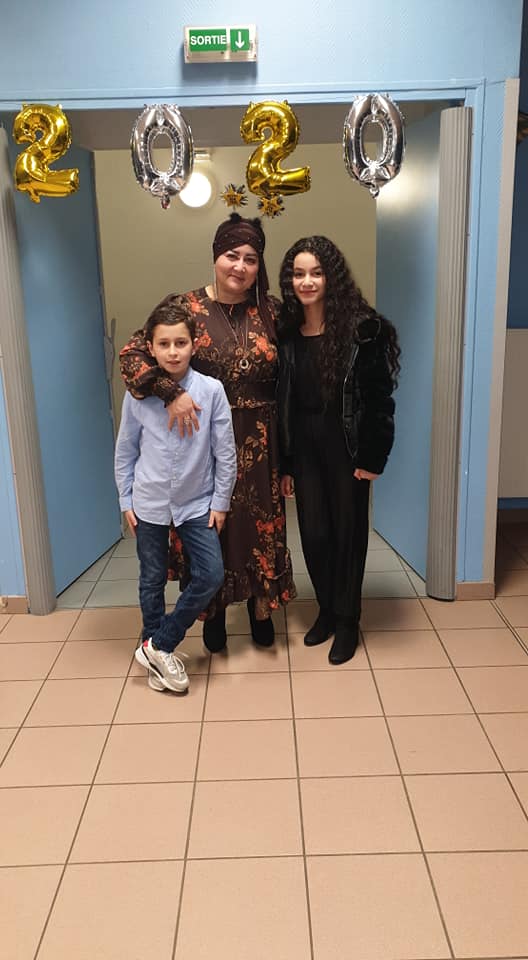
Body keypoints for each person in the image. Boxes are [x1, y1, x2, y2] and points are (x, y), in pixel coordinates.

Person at [119, 213, 296, 653]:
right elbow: (132, 355)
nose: (240, 266)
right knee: (213, 527)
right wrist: (169, 393)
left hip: (260, 440)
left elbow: (299, 368)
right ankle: (212, 612)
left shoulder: (273, 311)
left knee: (257, 528)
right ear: (216, 255)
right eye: (232, 255)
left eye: (251, 258)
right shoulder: (187, 307)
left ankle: (260, 608)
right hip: (198, 435)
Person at [277, 236, 400, 664]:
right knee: (314, 535)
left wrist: (373, 457)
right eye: (298, 274)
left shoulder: (362, 329)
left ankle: (348, 621)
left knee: (348, 535)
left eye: (316, 272)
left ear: (332, 277)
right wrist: (286, 462)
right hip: (305, 449)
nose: (307, 281)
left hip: (346, 446)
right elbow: (284, 404)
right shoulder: (287, 333)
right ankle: (327, 609)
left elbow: (379, 398)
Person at [114, 296, 237, 692]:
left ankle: (159, 644)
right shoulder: (139, 395)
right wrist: (125, 499)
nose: (172, 351)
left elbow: (225, 452)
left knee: (211, 574)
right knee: (151, 579)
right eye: (164, 344)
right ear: (150, 348)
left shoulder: (211, 391)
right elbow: (126, 450)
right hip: (148, 502)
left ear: (194, 344)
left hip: (197, 503)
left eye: (180, 343)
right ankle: (157, 657)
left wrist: (220, 503)